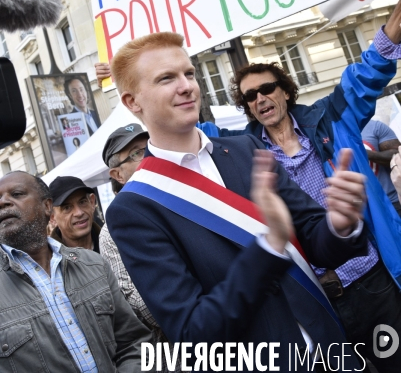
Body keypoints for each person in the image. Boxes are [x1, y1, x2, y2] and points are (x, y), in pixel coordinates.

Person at [106, 31, 369, 372]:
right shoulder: (134, 208)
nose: (186, 86)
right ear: (133, 102)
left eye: (189, 73)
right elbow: (193, 334)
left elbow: (314, 238)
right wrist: (268, 248)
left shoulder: (247, 151)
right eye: (166, 79)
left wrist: (341, 224)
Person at [214, 7, 401, 371]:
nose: (260, 99)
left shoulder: (329, 118)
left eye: (267, 89)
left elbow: (364, 76)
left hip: (372, 281)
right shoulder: (242, 152)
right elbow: (190, 130)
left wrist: (393, 29)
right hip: (319, 301)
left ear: (285, 90)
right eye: (250, 96)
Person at [0, 170, 151, 372]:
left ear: (46, 207)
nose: (3, 202)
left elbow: (134, 342)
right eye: (67, 207)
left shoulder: (95, 265)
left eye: (17, 194)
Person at [100, 124, 180, 373]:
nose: (147, 156)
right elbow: (139, 304)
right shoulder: (111, 232)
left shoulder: (182, 200)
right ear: (117, 175)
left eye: (149, 147)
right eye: (135, 153)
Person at [49, 176, 102, 252]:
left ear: (92, 202)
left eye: (82, 202)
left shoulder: (115, 241)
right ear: (52, 218)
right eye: (67, 208)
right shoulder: (48, 261)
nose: (79, 213)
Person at [362, 119, 401, 215]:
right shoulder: (329, 137)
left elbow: (397, 155)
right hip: (365, 207)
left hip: (393, 201)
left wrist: (365, 153)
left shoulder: (374, 126)